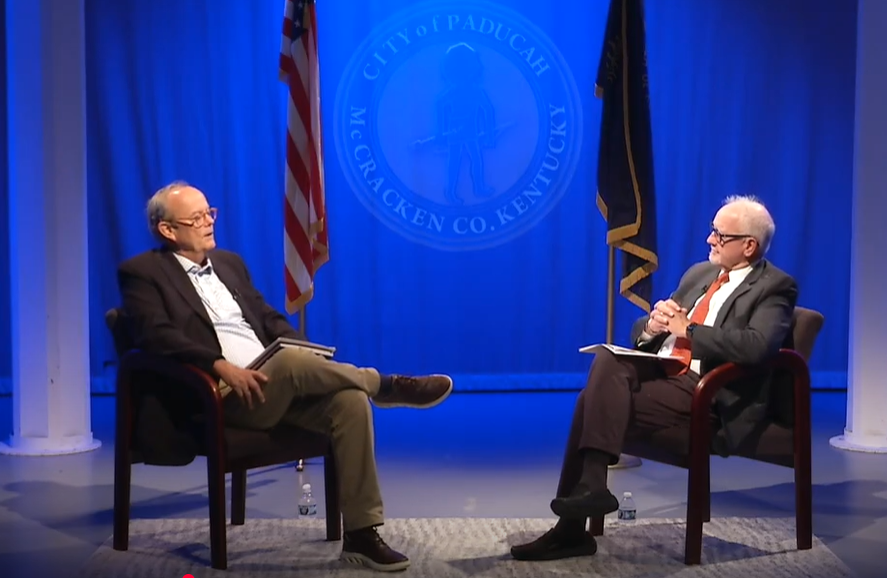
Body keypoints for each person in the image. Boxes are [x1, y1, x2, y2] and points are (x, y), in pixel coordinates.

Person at [118, 181, 454, 572]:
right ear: (168, 230)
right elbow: (156, 335)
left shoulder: (229, 263)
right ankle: (385, 384)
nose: (209, 222)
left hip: (273, 381)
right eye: (197, 218)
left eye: (211, 212)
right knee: (293, 364)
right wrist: (218, 365)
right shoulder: (142, 273)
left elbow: (269, 318)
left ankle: (362, 534)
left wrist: (306, 352)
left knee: (348, 402)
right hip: (221, 395)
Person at [510, 195, 797, 561]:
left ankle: (574, 524)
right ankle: (589, 492)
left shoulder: (774, 287)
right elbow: (642, 335)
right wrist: (653, 324)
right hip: (665, 375)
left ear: (749, 246)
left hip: (710, 391)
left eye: (720, 236)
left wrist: (689, 329)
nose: (710, 240)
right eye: (711, 231)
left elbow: (758, 347)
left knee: (588, 403)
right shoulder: (701, 273)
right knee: (608, 362)